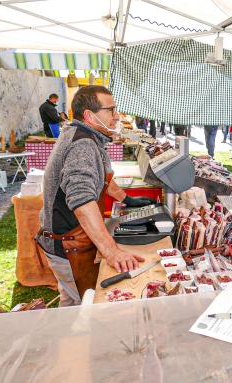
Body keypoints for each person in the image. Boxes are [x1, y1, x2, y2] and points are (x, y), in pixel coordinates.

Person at [36, 85, 155, 306]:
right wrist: (111, 252)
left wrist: (127, 200)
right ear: (90, 116)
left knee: (71, 302)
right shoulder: (82, 144)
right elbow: (81, 199)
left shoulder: (89, 137)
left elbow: (104, 180)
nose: (116, 116)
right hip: (69, 245)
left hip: (72, 240)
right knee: (84, 305)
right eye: (111, 110)